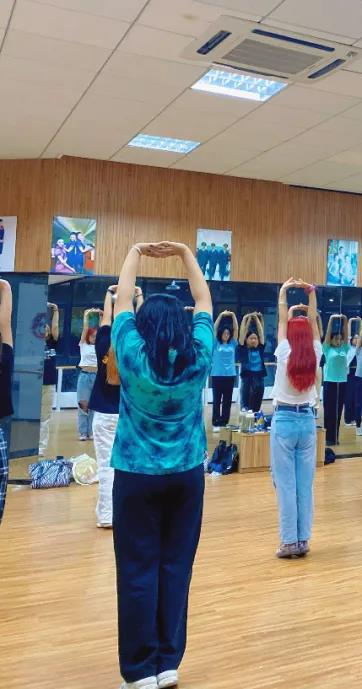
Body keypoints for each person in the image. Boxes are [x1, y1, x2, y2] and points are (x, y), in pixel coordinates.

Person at [111, 241, 213, 689]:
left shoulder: (132, 354)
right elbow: (204, 301)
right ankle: (168, 662)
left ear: (144, 325)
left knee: (138, 569)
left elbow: (121, 302)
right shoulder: (199, 356)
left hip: (136, 477)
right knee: (175, 567)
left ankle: (140, 670)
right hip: (186, 477)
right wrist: (186, 254)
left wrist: (135, 252)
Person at [270, 278, 321, 558]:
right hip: (307, 423)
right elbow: (313, 322)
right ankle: (302, 540)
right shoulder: (315, 353)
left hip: (285, 422)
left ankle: (289, 541)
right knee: (304, 486)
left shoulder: (284, 352)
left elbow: (282, 322)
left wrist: (284, 294)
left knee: (286, 485)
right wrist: (311, 294)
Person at [91, 285, 141, 529]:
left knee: (105, 467)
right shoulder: (133, 348)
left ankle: (106, 515)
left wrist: (109, 293)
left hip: (104, 414)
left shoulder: (103, 343)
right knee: (127, 466)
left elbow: (106, 319)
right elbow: (140, 324)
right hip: (127, 415)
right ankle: (124, 513)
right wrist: (138, 296)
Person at [321, 314, 349, 447]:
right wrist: (332, 319)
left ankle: (335, 436)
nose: (338, 341)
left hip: (342, 383)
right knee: (329, 410)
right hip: (330, 383)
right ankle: (328, 437)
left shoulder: (344, 348)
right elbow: (327, 336)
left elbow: (346, 334)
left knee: (338, 410)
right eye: (336, 339)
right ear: (331, 340)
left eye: (340, 339)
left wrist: (345, 320)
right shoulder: (327, 349)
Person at [209, 311, 238, 432]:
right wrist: (220, 315)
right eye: (224, 333)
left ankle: (224, 421)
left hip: (230, 375)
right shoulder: (215, 343)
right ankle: (216, 422)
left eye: (228, 333)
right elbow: (214, 328)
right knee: (217, 400)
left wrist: (233, 316)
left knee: (227, 400)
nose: (226, 335)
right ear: (221, 334)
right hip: (217, 375)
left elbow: (236, 329)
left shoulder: (232, 343)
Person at [77, 308, 101, 441]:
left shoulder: (100, 346)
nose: (94, 338)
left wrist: (102, 316)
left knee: (94, 406)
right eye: (92, 336)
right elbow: (85, 328)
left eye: (96, 336)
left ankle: (91, 431)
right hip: (85, 376)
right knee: (83, 405)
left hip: (97, 376)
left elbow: (104, 331)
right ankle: (83, 432)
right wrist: (87, 315)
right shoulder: (83, 345)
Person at [40, 302, 59, 457]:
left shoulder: (52, 342)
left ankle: (41, 448)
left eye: (46, 328)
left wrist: (55, 309)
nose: (45, 330)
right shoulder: (32, 343)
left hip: (49, 383)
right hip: (34, 383)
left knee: (45, 418)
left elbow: (55, 327)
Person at [236, 313, 267, 413]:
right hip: (247, 378)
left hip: (259, 378)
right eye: (251, 338)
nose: (254, 340)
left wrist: (257, 319)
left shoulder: (260, 348)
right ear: (246, 340)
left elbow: (261, 333)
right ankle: (245, 419)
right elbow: (242, 334)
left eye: (255, 338)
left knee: (257, 403)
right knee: (246, 404)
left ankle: (256, 419)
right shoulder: (243, 349)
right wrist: (246, 318)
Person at [0, 279, 12, 526]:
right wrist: (5, 287)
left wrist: (6, 288)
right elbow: (5, 324)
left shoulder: (4, 356)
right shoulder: (5, 355)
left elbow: (4, 323)